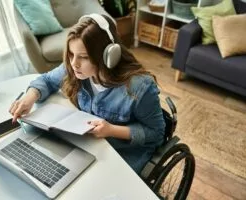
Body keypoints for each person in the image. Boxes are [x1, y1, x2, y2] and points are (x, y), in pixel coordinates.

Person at [9, 13, 165, 174]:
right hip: (89, 146)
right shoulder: (76, 69)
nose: (74, 63)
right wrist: (29, 98)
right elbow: (47, 80)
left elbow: (157, 133)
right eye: (71, 54)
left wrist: (111, 130)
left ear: (108, 55)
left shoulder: (140, 87)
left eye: (83, 57)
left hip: (124, 152)